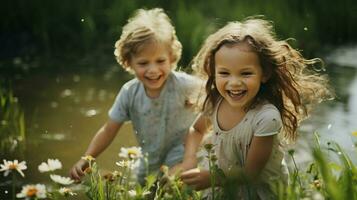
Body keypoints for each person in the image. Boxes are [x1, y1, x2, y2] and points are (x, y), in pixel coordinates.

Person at [178, 18, 333, 199]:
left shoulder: (266, 117)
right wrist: (189, 159)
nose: (234, 83)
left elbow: (251, 173)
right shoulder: (216, 101)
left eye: (246, 73)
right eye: (224, 73)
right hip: (221, 186)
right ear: (214, 72)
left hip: (257, 192)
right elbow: (196, 130)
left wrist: (213, 177)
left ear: (264, 74)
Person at [69, 8, 202, 184]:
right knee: (145, 189)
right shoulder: (129, 93)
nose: (153, 70)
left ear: (171, 58)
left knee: (174, 190)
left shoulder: (186, 85)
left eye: (160, 61)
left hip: (183, 158)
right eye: (143, 63)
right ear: (128, 62)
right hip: (149, 162)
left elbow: (216, 100)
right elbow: (109, 130)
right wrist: (87, 158)